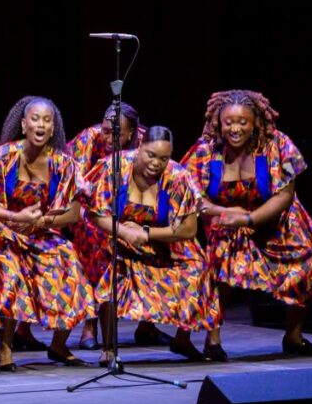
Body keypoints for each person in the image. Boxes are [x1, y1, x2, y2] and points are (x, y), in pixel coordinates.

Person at [182, 90, 312, 360]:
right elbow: (192, 196)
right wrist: (226, 213)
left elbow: (285, 195)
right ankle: (212, 340)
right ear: (219, 123)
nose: (235, 128)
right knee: (219, 267)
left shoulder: (277, 144)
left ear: (255, 122)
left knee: (305, 261)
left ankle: (293, 337)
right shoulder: (206, 149)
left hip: (276, 219)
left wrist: (250, 218)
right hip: (227, 220)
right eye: (229, 122)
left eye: (243, 122)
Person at [0, 97, 97, 370]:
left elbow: (73, 214)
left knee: (71, 267)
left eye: (47, 120)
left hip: (41, 234)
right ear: (23, 124)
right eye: (35, 119)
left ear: (53, 128)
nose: (40, 125)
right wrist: (15, 218)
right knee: (10, 272)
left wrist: (40, 222)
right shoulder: (3, 156)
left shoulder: (64, 164)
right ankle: (5, 349)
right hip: (4, 235)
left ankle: (58, 345)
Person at [85, 126, 218, 365]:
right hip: (117, 237)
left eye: (164, 158)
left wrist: (146, 234)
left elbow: (189, 229)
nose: (157, 163)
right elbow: (96, 214)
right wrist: (125, 231)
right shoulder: (113, 167)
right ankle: (109, 348)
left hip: (158, 242)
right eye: (151, 155)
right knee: (111, 267)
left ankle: (183, 338)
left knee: (197, 266)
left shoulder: (178, 176)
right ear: (139, 149)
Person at [68, 102, 168, 350]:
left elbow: (161, 181)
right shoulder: (87, 140)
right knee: (96, 240)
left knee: (159, 247)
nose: (107, 137)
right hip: (91, 210)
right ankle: (90, 325)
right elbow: (76, 184)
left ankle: (147, 323)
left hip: (133, 211)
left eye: (116, 134)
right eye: (104, 130)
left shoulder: (146, 142)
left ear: (132, 132)